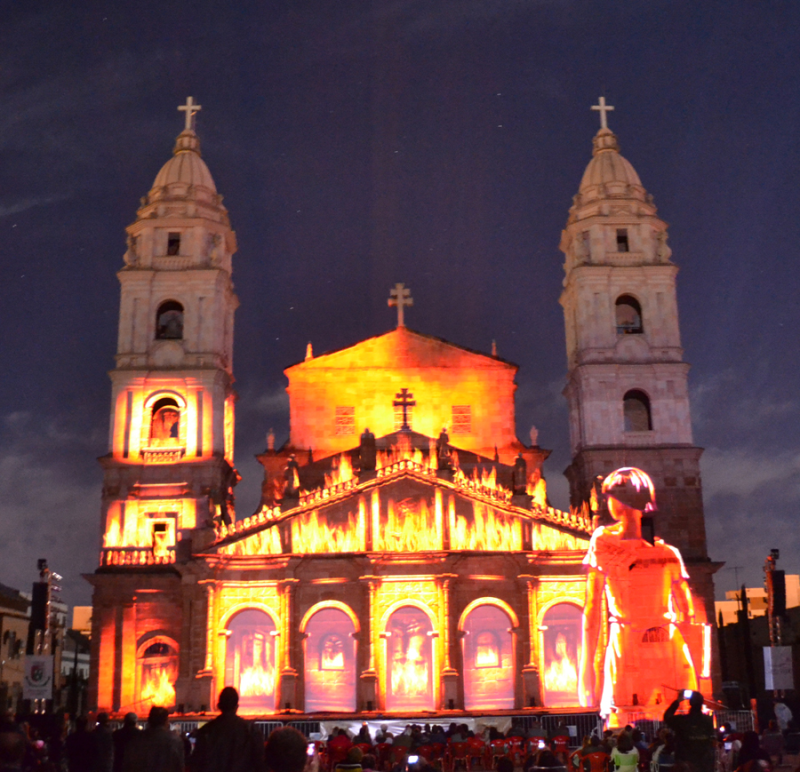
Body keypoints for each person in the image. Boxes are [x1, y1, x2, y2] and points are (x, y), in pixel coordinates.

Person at [580, 468, 708, 716]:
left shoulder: (604, 542)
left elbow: (592, 609)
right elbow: (689, 613)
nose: (607, 502)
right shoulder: (668, 553)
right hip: (664, 641)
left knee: (625, 716)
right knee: (677, 715)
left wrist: (586, 670)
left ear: (623, 500)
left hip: (630, 641)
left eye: (611, 496)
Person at [190, 687, 264, 772]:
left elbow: (197, 763)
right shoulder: (251, 730)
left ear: (219, 706)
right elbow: (259, 763)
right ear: (236, 706)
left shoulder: (206, 731)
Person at [664, 691, 715, 772]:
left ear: (690, 703)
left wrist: (678, 700)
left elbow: (667, 717)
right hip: (704, 765)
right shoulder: (708, 721)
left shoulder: (682, 721)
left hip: (686, 764)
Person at [123, 707, 183, 772]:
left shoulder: (138, 739)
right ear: (166, 721)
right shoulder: (174, 740)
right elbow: (179, 765)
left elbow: (129, 763)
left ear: (149, 720)